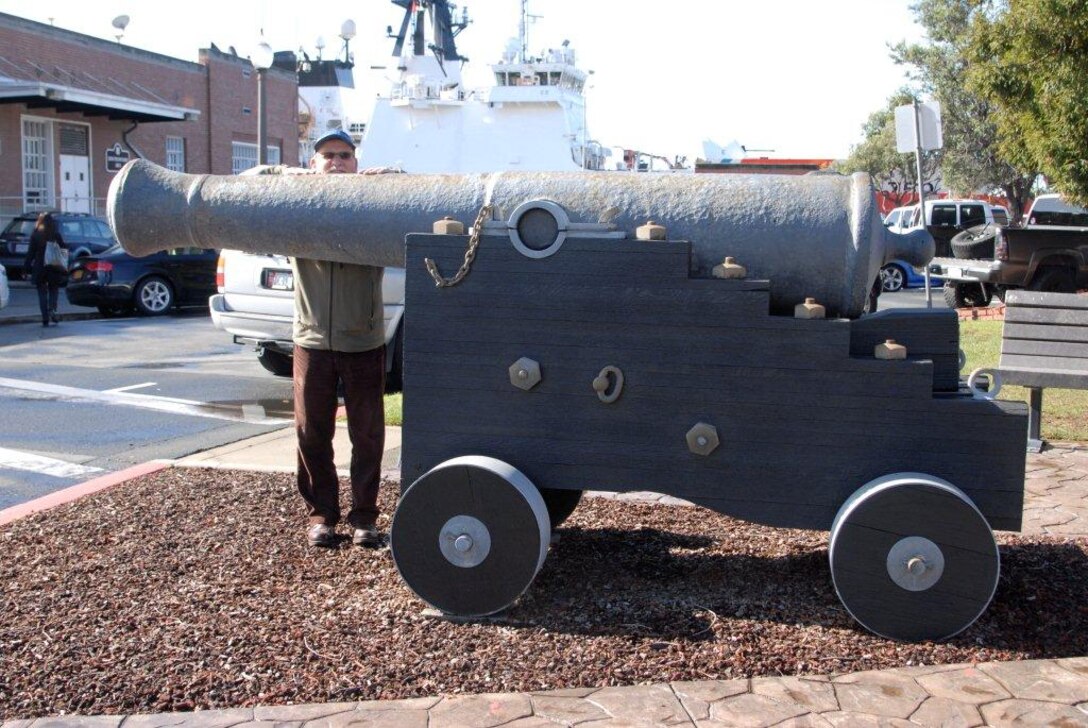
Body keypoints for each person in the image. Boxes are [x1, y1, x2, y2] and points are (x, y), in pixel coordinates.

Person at [294, 129, 389, 548]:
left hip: (363, 342)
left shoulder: (374, 205)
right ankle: (322, 516)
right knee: (311, 433)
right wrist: (291, 180)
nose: (336, 161)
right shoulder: (293, 206)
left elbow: (409, 188)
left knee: (367, 435)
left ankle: (364, 518)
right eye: (327, 155)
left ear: (356, 162)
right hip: (311, 340)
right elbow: (259, 177)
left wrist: (386, 181)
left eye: (344, 155)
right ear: (313, 164)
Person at [24, 212, 67, 327]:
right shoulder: (55, 235)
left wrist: (27, 268)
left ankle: (45, 317)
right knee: (54, 289)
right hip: (53, 266)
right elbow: (63, 248)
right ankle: (52, 309)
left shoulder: (36, 235)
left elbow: (30, 253)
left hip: (40, 267)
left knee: (42, 293)